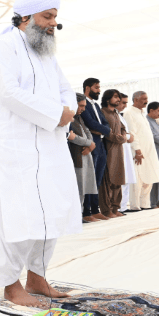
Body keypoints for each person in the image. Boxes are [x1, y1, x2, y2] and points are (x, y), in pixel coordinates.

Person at [0, 0, 81, 306]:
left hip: (48, 145)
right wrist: (54, 113)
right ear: (26, 17)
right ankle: (10, 285)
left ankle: (37, 276)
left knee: (49, 211)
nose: (53, 24)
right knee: (15, 217)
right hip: (13, 148)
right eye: (48, 17)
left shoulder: (46, 52)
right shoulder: (2, 47)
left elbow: (65, 89)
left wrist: (67, 110)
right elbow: (9, 94)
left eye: (55, 17)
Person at [124, 91, 159, 210]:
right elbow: (132, 132)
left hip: (149, 151)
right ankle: (134, 205)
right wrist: (137, 150)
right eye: (143, 99)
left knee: (149, 177)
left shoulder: (141, 113)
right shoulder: (129, 113)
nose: (146, 101)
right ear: (135, 100)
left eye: (147, 98)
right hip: (138, 151)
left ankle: (145, 204)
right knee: (138, 179)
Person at [80, 77, 108, 220]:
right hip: (91, 144)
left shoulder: (95, 105)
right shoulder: (82, 103)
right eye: (96, 87)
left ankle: (95, 209)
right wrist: (102, 130)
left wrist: (104, 130)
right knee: (90, 179)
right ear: (87, 88)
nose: (99, 90)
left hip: (100, 143)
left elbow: (105, 124)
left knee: (97, 179)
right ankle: (87, 212)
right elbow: (90, 124)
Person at [98, 89, 128, 218]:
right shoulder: (102, 112)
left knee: (118, 177)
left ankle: (116, 208)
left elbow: (122, 127)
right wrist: (119, 138)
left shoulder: (116, 112)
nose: (118, 100)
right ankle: (107, 210)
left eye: (119, 97)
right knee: (107, 180)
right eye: (115, 97)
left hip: (119, 149)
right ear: (107, 98)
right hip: (108, 149)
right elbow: (104, 130)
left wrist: (123, 136)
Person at [68, 94, 97, 222]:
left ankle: (79, 216)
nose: (83, 109)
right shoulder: (68, 119)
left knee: (83, 188)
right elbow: (70, 136)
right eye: (81, 106)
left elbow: (88, 133)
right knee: (77, 189)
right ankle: (75, 218)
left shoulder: (78, 118)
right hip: (75, 158)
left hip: (84, 156)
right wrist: (88, 143)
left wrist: (90, 144)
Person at [116, 93, 137, 212]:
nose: (125, 105)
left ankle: (123, 206)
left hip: (126, 148)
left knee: (127, 178)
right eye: (123, 102)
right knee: (121, 178)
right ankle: (119, 207)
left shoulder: (120, 116)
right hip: (119, 149)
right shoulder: (112, 115)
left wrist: (129, 136)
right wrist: (128, 136)